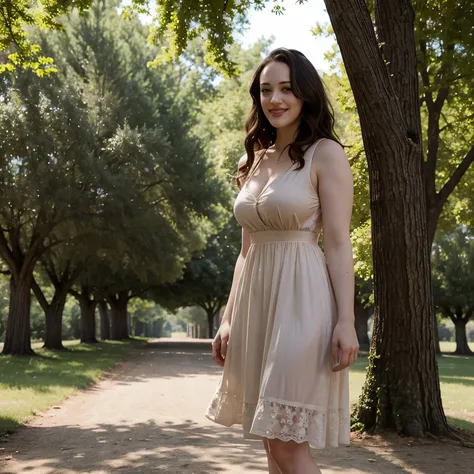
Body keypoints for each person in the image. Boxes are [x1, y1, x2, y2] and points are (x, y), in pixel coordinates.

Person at [206, 48, 359, 474]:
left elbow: (338, 243)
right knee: (270, 444)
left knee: (287, 443)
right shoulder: (250, 161)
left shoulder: (325, 154)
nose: (275, 99)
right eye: (266, 89)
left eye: (287, 89)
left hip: (303, 302)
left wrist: (346, 320)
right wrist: (228, 317)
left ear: (306, 95)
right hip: (256, 304)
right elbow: (245, 252)